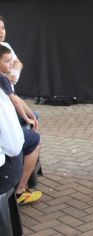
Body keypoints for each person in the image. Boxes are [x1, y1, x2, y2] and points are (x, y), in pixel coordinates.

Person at [0, 44, 42, 205]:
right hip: (8, 143)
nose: (11, 64)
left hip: (9, 134)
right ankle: (20, 190)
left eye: (12, 61)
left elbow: (16, 98)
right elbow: (15, 101)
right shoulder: (2, 78)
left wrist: (30, 115)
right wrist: (28, 117)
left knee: (32, 132)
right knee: (34, 139)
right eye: (7, 61)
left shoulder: (5, 77)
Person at [0, 15, 23, 89]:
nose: (1, 32)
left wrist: (13, 75)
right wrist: (4, 78)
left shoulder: (6, 45)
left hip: (8, 94)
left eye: (3, 28)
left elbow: (18, 63)